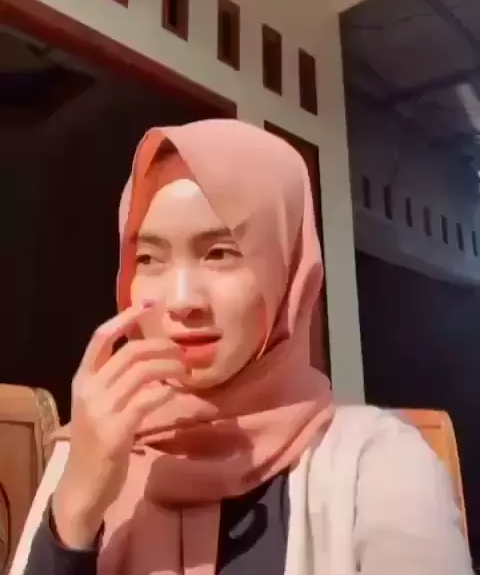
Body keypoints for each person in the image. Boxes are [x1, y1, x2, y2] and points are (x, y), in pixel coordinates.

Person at [11, 120, 473, 575]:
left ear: (285, 268)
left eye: (220, 253)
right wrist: (75, 512)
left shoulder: (376, 464)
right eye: (149, 258)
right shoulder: (89, 450)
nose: (182, 301)